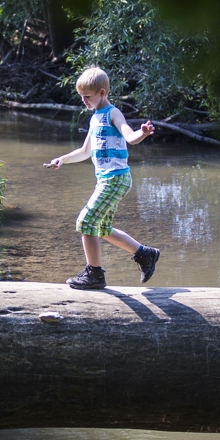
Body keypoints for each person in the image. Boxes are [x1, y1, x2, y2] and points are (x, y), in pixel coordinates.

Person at [49, 66, 160, 290]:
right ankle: (145, 254)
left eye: (87, 96)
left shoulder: (112, 113)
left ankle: (94, 275)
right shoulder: (94, 118)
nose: (84, 100)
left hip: (115, 178)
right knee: (103, 229)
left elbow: (130, 136)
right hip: (106, 180)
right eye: (81, 96)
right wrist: (63, 159)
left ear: (101, 92)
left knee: (85, 222)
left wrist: (143, 133)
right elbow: (85, 151)